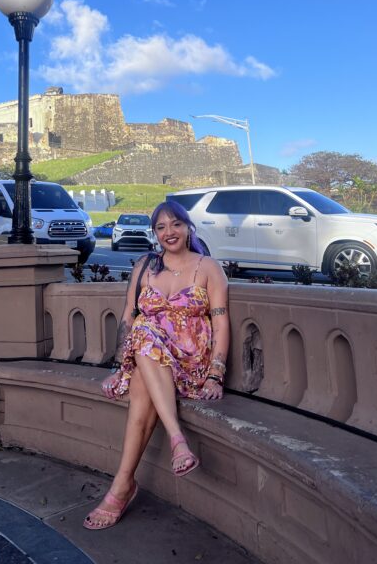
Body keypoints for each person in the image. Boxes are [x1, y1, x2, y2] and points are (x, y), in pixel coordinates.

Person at [83, 200, 230, 530]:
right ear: (155, 234)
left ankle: (123, 486)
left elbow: (221, 324)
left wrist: (215, 375)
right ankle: (151, 462)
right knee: (143, 341)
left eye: (175, 224)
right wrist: (122, 366)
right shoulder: (146, 267)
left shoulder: (208, 267)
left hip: (190, 361)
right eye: (161, 227)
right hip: (149, 356)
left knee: (144, 348)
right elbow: (128, 316)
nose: (169, 232)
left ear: (188, 227)